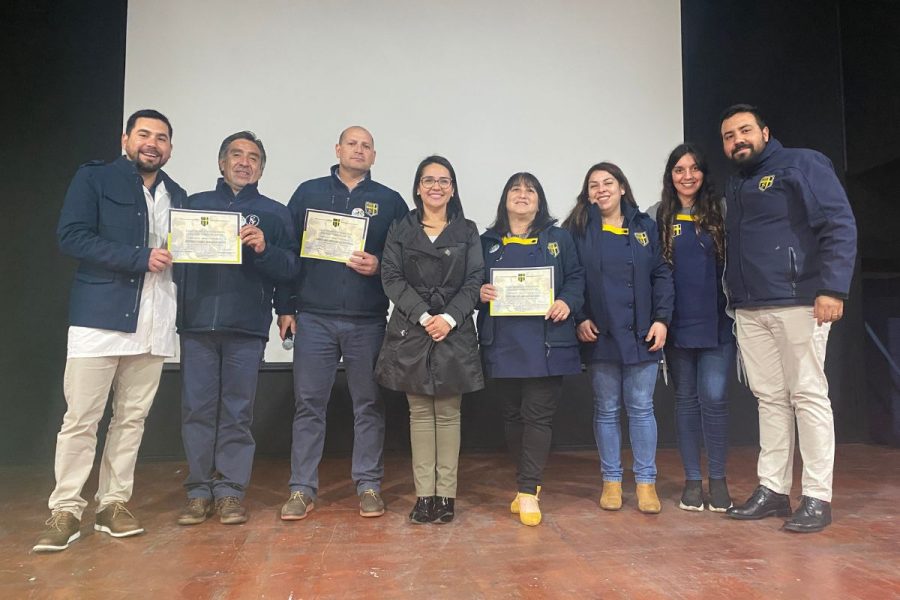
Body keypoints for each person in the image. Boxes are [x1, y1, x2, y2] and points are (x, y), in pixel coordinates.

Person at [34, 109, 187, 552]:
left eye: (161, 137)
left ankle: (112, 504)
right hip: (99, 319)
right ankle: (65, 508)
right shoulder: (96, 179)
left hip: (155, 322)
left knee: (131, 420)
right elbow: (72, 236)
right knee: (81, 418)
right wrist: (139, 257)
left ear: (170, 148)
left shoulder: (176, 194)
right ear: (126, 139)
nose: (152, 143)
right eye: (144, 134)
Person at [719, 104, 857, 533]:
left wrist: (832, 287)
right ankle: (773, 490)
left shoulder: (801, 163)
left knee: (808, 395)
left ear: (765, 131)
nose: (737, 139)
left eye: (744, 130)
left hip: (799, 300)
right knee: (770, 399)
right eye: (728, 136)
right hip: (750, 306)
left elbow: (838, 222)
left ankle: (817, 496)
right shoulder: (736, 183)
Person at [276, 126, 407, 520]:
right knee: (309, 404)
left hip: (366, 321)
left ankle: (368, 484)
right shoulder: (308, 193)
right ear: (337, 149)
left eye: (366, 145)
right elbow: (286, 254)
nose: (359, 150)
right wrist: (285, 307)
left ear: (374, 155)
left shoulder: (390, 201)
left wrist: (379, 264)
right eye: (352, 143)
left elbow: (403, 260)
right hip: (313, 317)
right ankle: (301, 488)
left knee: (368, 404)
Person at [175, 132, 299, 526]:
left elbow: (291, 270)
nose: (244, 162)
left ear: (261, 168)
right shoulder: (193, 207)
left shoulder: (276, 214)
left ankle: (229, 492)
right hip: (196, 325)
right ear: (221, 162)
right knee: (197, 410)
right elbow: (174, 263)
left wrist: (265, 249)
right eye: (236, 155)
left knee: (237, 412)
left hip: (247, 327)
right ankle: (198, 491)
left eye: (253, 158)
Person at [375, 155, 484, 524]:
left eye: (444, 180)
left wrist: (450, 318)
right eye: (428, 180)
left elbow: (474, 281)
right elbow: (390, 276)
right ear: (418, 187)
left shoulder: (468, 230)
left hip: (454, 330)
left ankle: (446, 497)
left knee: (449, 414)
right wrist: (425, 316)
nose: (436, 186)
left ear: (452, 189)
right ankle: (424, 496)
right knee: (419, 414)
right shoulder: (400, 229)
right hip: (412, 329)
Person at [564, 162, 674, 514]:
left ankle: (646, 483)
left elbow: (661, 274)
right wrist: (579, 318)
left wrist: (662, 319)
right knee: (607, 410)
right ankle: (611, 481)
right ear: (588, 193)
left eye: (608, 183)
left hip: (642, 333)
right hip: (600, 334)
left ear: (622, 187)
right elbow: (571, 277)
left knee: (642, 409)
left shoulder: (645, 226)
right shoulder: (578, 230)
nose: (601, 190)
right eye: (593, 185)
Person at [477, 172, 584, 526]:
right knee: (511, 417)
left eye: (530, 190)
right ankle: (526, 485)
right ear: (504, 198)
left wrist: (568, 301)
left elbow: (577, 277)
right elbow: (469, 283)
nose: (522, 195)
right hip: (502, 342)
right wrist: (480, 292)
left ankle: (527, 489)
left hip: (547, 342)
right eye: (515, 189)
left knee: (538, 416)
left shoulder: (559, 238)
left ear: (539, 201)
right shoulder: (485, 242)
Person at [649, 144, 735, 512]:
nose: (687, 176)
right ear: (670, 176)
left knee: (713, 399)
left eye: (694, 169)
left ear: (704, 174)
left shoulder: (723, 211)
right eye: (679, 169)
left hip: (718, 322)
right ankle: (692, 481)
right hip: (676, 325)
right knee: (685, 402)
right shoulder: (657, 216)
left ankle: (718, 480)